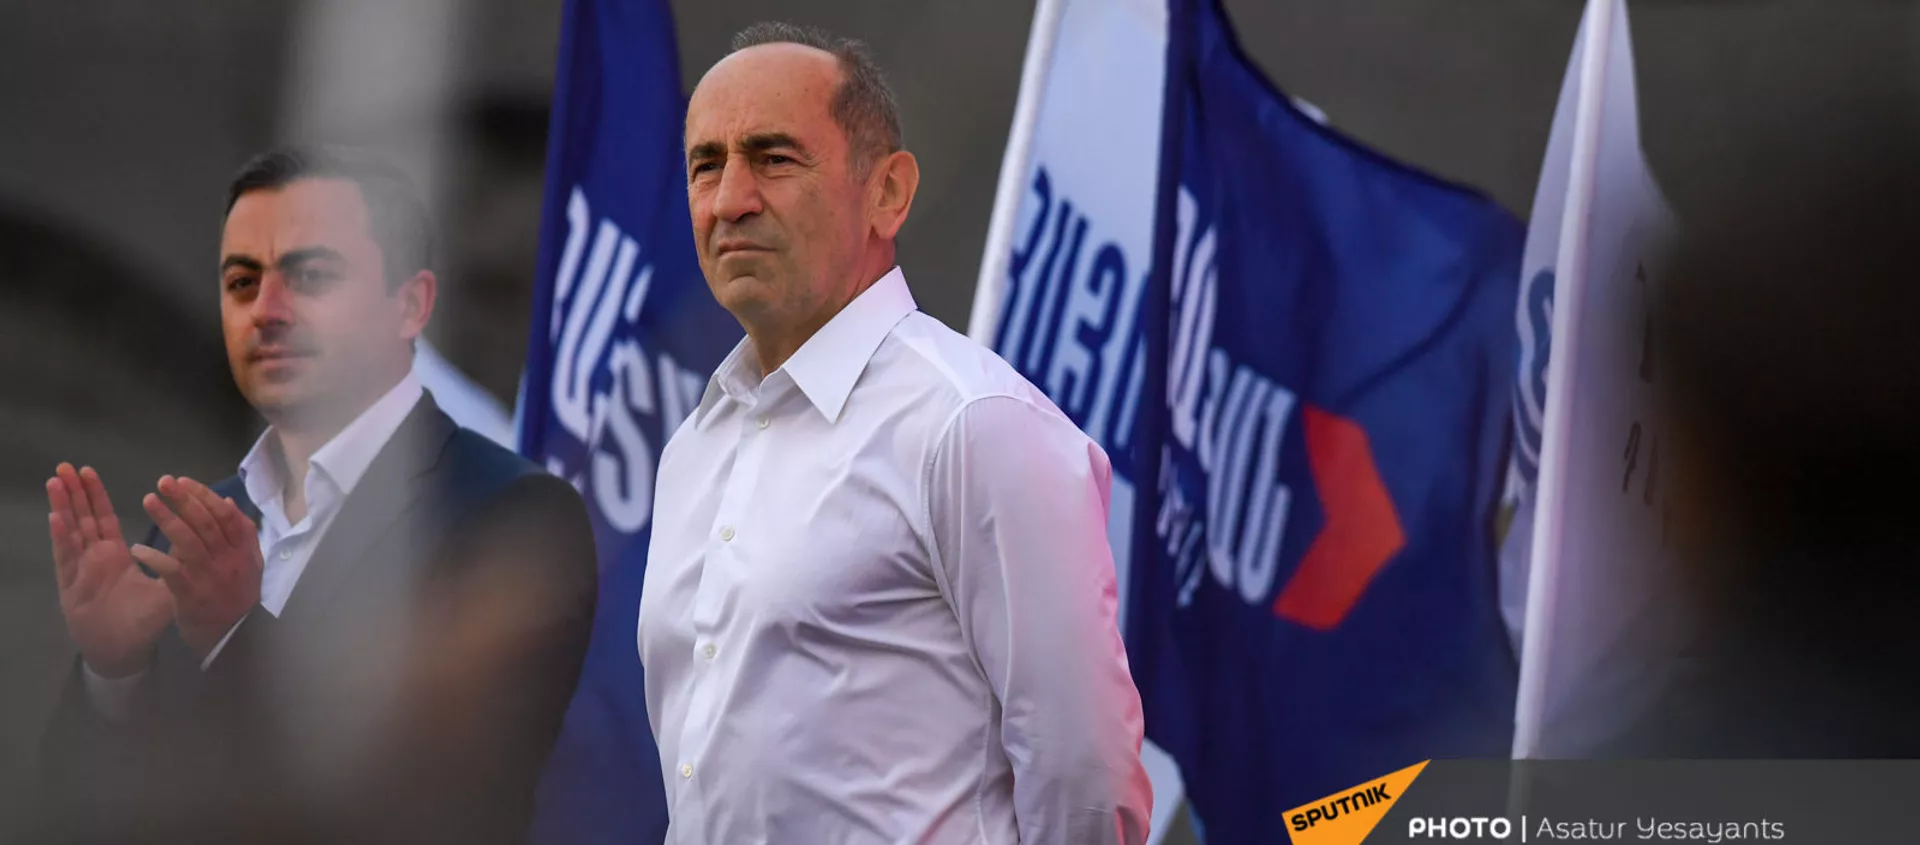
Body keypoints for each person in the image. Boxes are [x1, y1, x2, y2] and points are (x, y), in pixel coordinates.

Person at [637, 22, 1152, 845]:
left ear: (888, 192)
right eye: (706, 164)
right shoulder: (694, 448)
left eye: (774, 158)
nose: (730, 199)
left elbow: (1084, 777)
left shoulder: (971, 423)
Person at [34, 147, 598, 845]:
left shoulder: (514, 518)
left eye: (311, 276)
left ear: (411, 304)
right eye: (242, 282)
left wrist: (235, 633)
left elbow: (446, 804)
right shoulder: (187, 531)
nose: (267, 311)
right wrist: (113, 675)